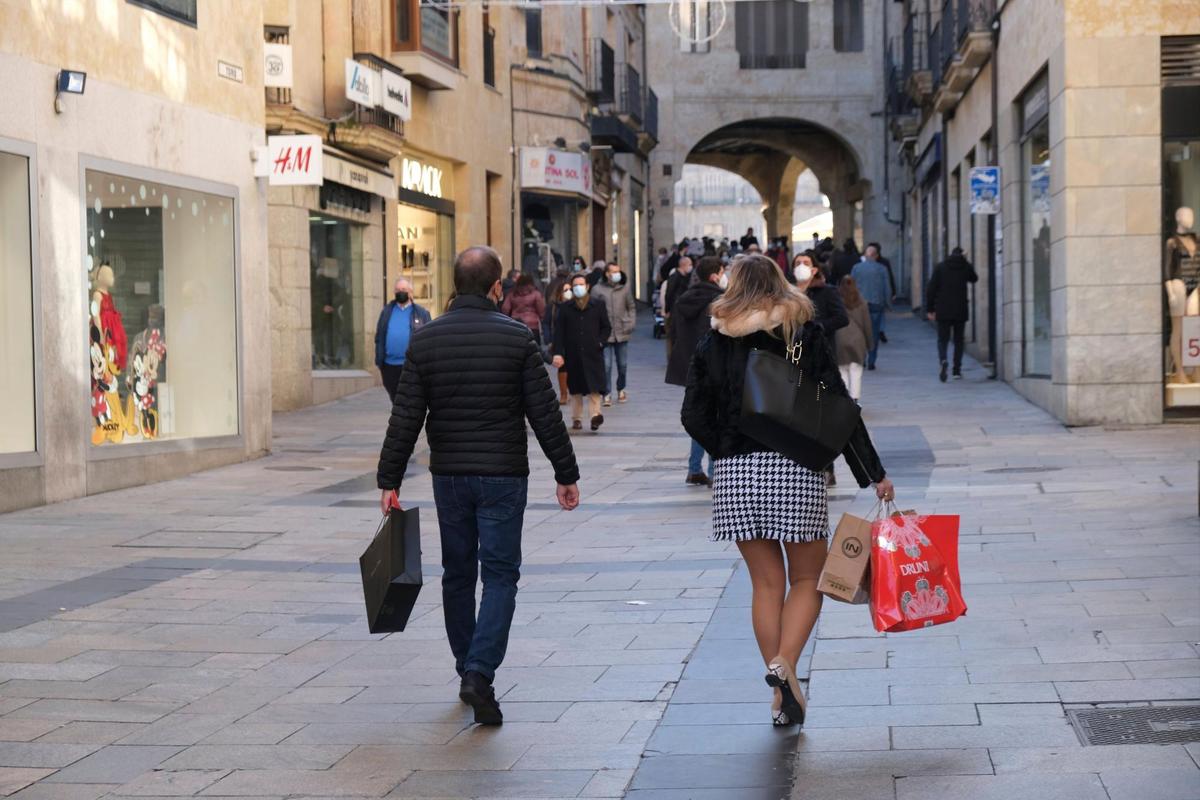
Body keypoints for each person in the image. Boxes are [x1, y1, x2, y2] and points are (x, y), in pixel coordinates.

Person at [681, 253, 892, 729]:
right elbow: (838, 407)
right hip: (794, 468)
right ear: (781, 285)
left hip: (736, 474)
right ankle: (786, 666)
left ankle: (782, 698)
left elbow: (692, 415)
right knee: (806, 580)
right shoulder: (802, 332)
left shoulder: (712, 341)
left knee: (765, 584)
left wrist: (727, 448)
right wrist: (871, 471)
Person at [376, 246, 581, 726]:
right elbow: (545, 413)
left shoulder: (426, 341)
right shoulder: (516, 339)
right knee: (501, 575)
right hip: (504, 476)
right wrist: (565, 472)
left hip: (449, 475)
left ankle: (466, 664)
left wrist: (389, 478)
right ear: (496, 288)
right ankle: (479, 671)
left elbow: (405, 415)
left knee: (458, 573)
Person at [666, 256, 725, 487]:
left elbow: (674, 333)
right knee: (715, 418)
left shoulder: (684, 298)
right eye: (721, 272)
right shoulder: (718, 301)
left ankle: (694, 469)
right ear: (714, 276)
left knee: (699, 417)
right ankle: (712, 472)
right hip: (712, 366)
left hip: (689, 365)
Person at [552, 274, 611, 431]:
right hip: (573, 353)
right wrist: (558, 352)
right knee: (575, 387)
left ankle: (595, 416)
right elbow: (559, 333)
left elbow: (606, 327)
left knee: (594, 385)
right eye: (575, 285)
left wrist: (600, 342)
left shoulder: (597, 305)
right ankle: (576, 418)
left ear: (587, 286)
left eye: (581, 284)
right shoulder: (565, 308)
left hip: (593, 352)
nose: (578, 287)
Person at [374, 277, 432, 401]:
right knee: (395, 399)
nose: (401, 292)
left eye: (404, 289)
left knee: (410, 399)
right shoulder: (386, 312)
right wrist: (379, 361)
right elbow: (379, 336)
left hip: (411, 365)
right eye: (398, 289)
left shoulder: (421, 313)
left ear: (410, 292)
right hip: (389, 366)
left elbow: (429, 339)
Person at [926, 247, 978, 382]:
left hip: (943, 309)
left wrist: (930, 309)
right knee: (958, 341)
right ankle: (956, 370)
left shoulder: (940, 267)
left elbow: (931, 289)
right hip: (960, 309)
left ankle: (943, 360)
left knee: (942, 339)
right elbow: (974, 278)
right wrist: (966, 262)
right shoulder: (965, 267)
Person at [592, 262, 637, 406]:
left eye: (618, 271)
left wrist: (631, 322)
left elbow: (631, 307)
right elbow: (592, 310)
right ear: (607, 273)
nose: (617, 274)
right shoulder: (597, 289)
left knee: (622, 364)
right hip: (605, 333)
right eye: (613, 271)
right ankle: (607, 393)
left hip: (622, 330)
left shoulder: (624, 288)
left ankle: (621, 388)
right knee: (606, 365)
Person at [851, 247, 890, 370]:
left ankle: (861, 359)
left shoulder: (856, 268)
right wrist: (888, 303)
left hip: (859, 305)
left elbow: (850, 286)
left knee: (860, 333)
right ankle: (872, 361)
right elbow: (886, 287)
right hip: (876, 304)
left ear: (866, 255)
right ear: (876, 256)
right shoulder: (881, 269)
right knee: (873, 333)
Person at [835, 276, 871, 401]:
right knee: (856, 371)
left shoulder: (837, 302)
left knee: (842, 370)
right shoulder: (862, 303)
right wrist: (870, 344)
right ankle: (854, 398)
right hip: (858, 341)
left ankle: (845, 397)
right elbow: (867, 326)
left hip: (839, 339)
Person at [792, 252, 847, 333]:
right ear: (793, 270)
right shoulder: (788, 293)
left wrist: (817, 327)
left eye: (806, 263)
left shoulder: (827, 291)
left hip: (819, 342)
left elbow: (842, 318)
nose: (801, 266)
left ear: (814, 270)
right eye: (798, 263)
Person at [545, 280, 574, 404]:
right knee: (562, 366)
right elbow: (546, 323)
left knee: (574, 366)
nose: (569, 292)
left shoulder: (576, 305)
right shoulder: (553, 306)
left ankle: (573, 390)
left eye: (570, 289)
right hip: (559, 340)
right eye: (565, 290)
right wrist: (549, 339)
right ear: (559, 292)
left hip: (574, 340)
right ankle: (563, 394)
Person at [501, 273, 547, 343]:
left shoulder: (512, 294)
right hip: (532, 326)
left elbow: (505, 309)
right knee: (534, 349)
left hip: (515, 324)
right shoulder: (536, 294)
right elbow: (542, 311)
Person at [866, 243, 897, 343]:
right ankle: (880, 330)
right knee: (880, 314)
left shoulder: (862, 265)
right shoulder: (884, 263)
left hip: (868, 295)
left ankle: (875, 332)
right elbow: (889, 278)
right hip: (879, 295)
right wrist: (892, 292)